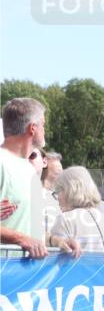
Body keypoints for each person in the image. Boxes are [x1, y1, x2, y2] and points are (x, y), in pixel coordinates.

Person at [1, 98, 53, 258]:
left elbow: (28, 228)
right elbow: (24, 237)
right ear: (32, 128)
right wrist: (21, 239)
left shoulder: (29, 169)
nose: (45, 131)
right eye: (43, 125)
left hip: (24, 271)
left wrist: (58, 242)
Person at [48, 166, 104, 256]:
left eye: (58, 191)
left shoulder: (65, 219)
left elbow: (52, 258)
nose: (57, 197)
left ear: (70, 190)